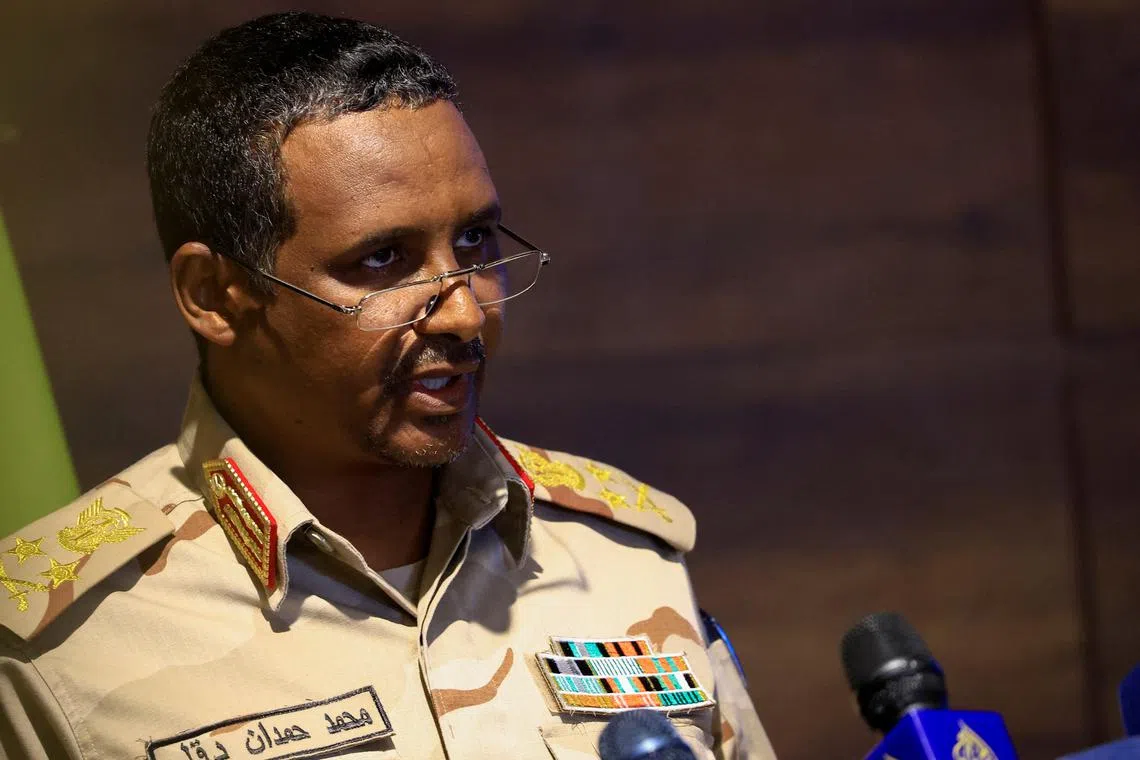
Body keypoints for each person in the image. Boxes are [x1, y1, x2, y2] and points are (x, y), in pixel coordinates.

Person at [0, 12, 776, 760]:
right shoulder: (57, 649)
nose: (465, 311)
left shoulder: (621, 557)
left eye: (475, 240)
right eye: (382, 260)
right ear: (214, 295)